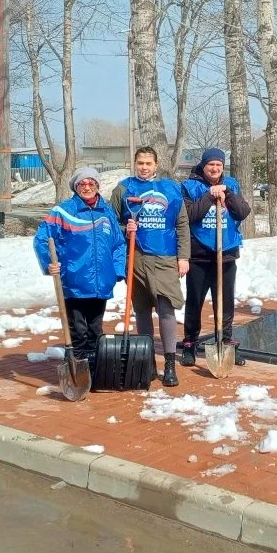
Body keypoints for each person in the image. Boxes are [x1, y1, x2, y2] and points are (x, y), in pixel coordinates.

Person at [110, 147, 190, 387]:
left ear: (156, 164)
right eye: (140, 163)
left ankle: (169, 363)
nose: (144, 167)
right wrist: (126, 230)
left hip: (165, 258)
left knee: (166, 309)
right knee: (142, 310)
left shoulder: (171, 189)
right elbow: (111, 224)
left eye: (148, 163)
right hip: (136, 257)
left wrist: (183, 256)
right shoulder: (123, 189)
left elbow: (182, 224)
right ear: (134, 163)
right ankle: (147, 362)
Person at [33, 167, 126, 363]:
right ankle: (76, 367)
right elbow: (42, 239)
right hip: (74, 281)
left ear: (98, 186)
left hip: (101, 282)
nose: (87, 187)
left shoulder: (107, 211)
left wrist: (117, 271)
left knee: (95, 329)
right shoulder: (63, 211)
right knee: (78, 331)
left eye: (91, 183)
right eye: (82, 184)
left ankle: (94, 368)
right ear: (76, 187)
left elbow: (118, 244)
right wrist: (50, 263)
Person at [181, 148, 251, 367]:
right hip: (200, 255)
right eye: (211, 164)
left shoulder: (231, 184)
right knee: (195, 302)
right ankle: (190, 343)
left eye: (218, 165)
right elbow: (190, 216)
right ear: (203, 166)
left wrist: (227, 194)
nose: (215, 168)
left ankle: (226, 342)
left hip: (226, 254)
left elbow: (242, 212)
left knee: (225, 303)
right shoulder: (190, 186)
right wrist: (209, 196)